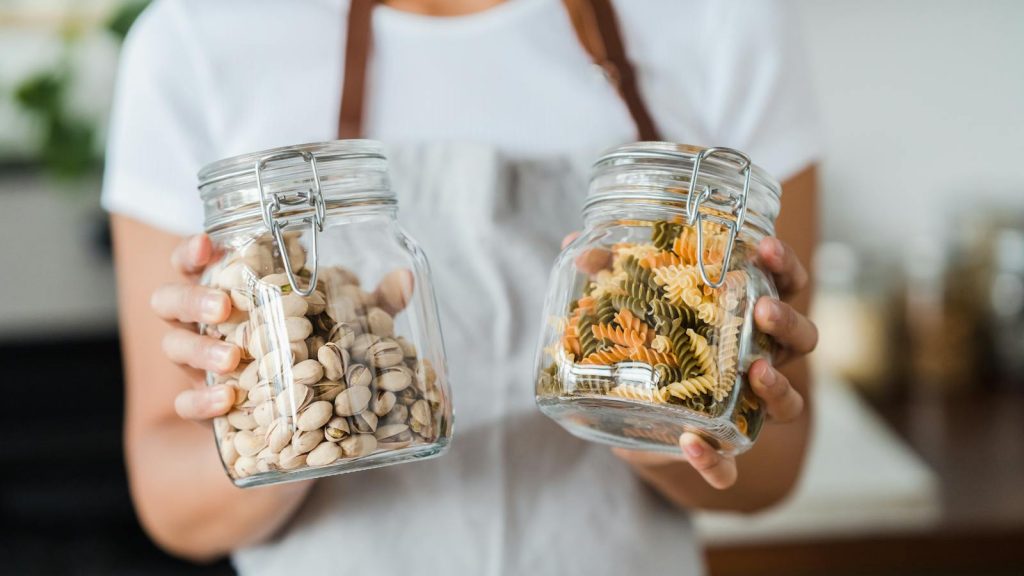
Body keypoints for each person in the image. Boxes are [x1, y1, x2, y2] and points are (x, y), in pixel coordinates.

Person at [104, 0, 820, 574]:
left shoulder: (725, 18)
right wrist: (301, 409)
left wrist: (655, 414)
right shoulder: (195, 39)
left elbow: (774, 472)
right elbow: (173, 505)